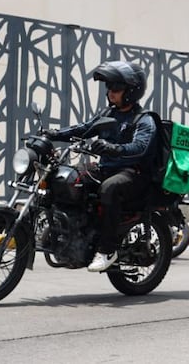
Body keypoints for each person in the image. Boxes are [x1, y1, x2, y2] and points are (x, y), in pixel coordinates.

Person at [51, 60, 156, 272]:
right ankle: (70, 230)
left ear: (131, 91)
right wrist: (54, 134)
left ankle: (108, 249)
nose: (110, 92)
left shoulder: (144, 119)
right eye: (109, 87)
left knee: (110, 188)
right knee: (67, 178)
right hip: (107, 169)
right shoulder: (108, 114)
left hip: (132, 172)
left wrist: (113, 148)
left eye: (116, 88)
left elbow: (140, 147)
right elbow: (85, 128)